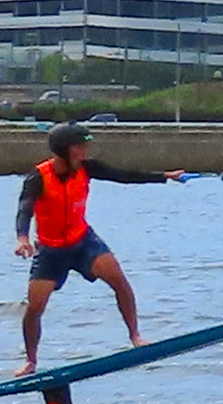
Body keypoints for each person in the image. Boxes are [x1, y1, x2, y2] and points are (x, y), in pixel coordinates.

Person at [13, 123, 187, 376]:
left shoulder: (87, 167)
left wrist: (163, 176)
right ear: (63, 150)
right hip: (51, 251)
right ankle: (30, 362)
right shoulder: (38, 178)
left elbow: (124, 176)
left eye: (86, 146)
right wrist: (22, 238)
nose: (85, 152)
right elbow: (24, 209)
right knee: (34, 308)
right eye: (79, 147)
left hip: (83, 241)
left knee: (119, 281)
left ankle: (136, 336)